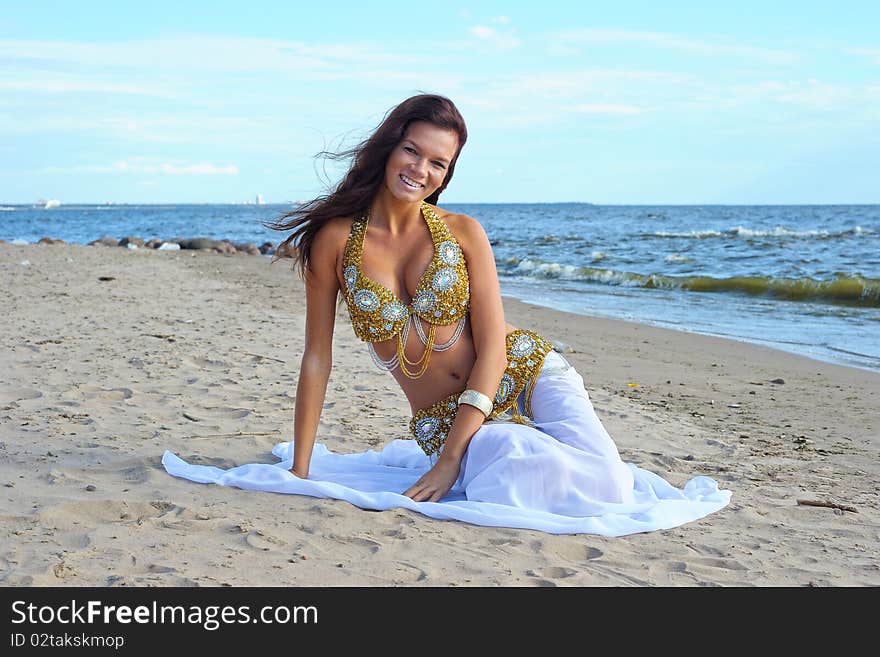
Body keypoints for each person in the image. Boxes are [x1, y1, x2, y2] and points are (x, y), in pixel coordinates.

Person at [162, 94, 730, 535]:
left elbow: (495, 347)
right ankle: (494, 449)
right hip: (439, 414)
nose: (422, 170)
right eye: (413, 151)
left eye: (439, 162)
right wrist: (301, 469)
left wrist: (452, 457)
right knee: (510, 460)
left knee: (608, 482)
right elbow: (317, 358)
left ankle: (493, 448)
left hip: (528, 375)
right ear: (389, 147)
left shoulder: (464, 233)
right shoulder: (336, 241)